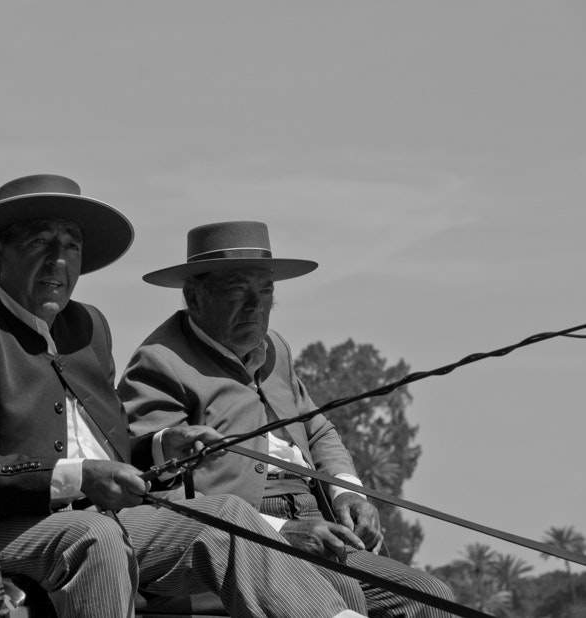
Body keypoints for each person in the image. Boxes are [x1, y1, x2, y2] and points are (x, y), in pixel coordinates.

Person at [0, 174, 364, 618]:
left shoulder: (87, 328)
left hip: (96, 518)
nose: (59, 261)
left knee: (233, 518)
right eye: (40, 242)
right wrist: (81, 479)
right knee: (94, 536)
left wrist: (162, 446)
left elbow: (111, 446)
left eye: (72, 246)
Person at [118, 221, 455, 618]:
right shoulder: (159, 362)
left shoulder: (275, 348)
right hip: (244, 534)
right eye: (236, 290)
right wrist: (277, 532)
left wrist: (348, 493)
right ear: (194, 297)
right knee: (343, 590)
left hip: (320, 520)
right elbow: (155, 487)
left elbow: (317, 428)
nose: (254, 306)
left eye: (265, 291)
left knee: (432, 597)